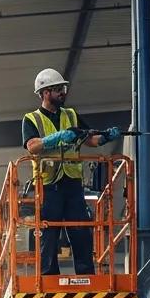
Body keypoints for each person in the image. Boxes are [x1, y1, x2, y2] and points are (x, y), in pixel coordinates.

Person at [22, 68, 122, 275]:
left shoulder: (71, 115)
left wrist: (106, 137)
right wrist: (59, 137)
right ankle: (49, 278)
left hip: (73, 183)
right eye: (58, 89)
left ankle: (86, 275)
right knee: (49, 232)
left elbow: (89, 139)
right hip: (48, 185)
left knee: (81, 230)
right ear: (45, 93)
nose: (63, 93)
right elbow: (32, 146)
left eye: (63, 88)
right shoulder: (32, 119)